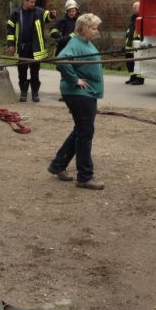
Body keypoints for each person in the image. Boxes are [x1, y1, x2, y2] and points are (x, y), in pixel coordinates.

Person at [48, 13, 106, 190]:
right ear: (83, 28)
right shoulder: (75, 44)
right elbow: (61, 60)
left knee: (80, 130)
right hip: (79, 94)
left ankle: (58, 165)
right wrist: (75, 80)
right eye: (94, 28)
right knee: (85, 133)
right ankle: (85, 177)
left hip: (87, 94)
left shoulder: (86, 43)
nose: (96, 32)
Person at [6, 0, 55, 102]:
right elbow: (10, 29)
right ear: (25, 1)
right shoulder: (16, 13)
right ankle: (23, 93)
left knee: (35, 72)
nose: (33, 4)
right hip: (22, 48)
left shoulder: (39, 11)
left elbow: (48, 17)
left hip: (35, 48)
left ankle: (35, 93)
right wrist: (10, 44)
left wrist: (52, 14)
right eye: (31, 2)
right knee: (22, 71)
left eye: (34, 2)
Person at [124, 0, 143, 85]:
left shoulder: (142, 18)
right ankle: (132, 77)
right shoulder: (133, 18)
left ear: (140, 8)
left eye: (135, 8)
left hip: (138, 44)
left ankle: (140, 79)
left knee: (139, 62)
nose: (133, 9)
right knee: (129, 62)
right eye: (133, 8)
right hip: (130, 45)